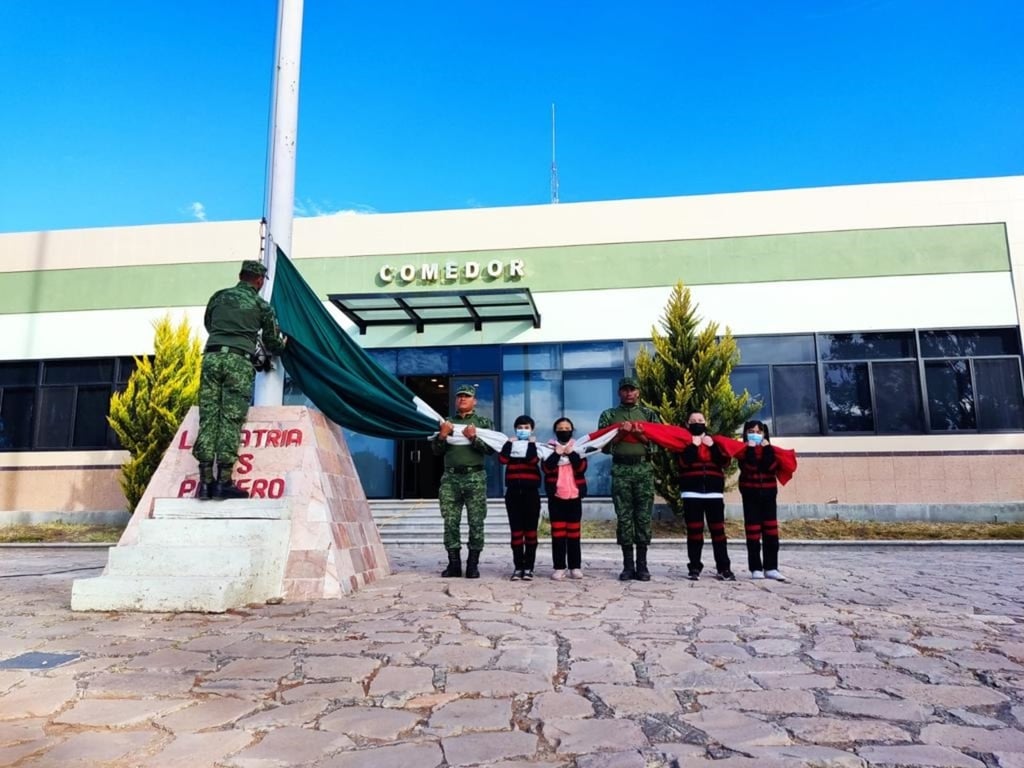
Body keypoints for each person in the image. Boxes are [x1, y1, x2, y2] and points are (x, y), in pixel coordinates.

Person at [193, 260, 286, 500]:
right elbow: (273, 342)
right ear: (259, 280)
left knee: (209, 415)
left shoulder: (218, 297)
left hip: (211, 358)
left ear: (240, 276)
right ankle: (223, 482)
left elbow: (209, 324)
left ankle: (204, 483)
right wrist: (284, 343)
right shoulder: (261, 305)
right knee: (230, 419)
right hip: (238, 362)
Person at [598, 376, 661, 581]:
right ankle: (627, 565)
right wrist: (620, 435)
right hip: (621, 468)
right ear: (619, 392)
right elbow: (603, 447)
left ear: (638, 392)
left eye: (632, 390)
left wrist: (640, 435)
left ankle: (642, 566)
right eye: (625, 389)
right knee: (624, 517)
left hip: (643, 469)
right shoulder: (609, 415)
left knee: (643, 517)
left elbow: (658, 446)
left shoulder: (649, 415)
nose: (629, 393)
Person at [433, 384, 495, 579]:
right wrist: (443, 435)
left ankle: (472, 565)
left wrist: (473, 438)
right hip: (451, 478)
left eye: (466, 396)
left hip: (475, 477)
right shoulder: (446, 422)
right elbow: (436, 450)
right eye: (459, 396)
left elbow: (491, 449)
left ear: (474, 401)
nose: (462, 399)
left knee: (476, 522)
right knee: (450, 522)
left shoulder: (483, 422)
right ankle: (453, 564)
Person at [678, 412, 735, 581]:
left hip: (714, 494)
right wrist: (693, 446)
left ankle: (724, 568)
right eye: (693, 421)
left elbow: (724, 462)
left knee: (719, 532)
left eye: (700, 421)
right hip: (691, 493)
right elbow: (682, 463)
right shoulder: (683, 442)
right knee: (694, 532)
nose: (697, 423)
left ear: (706, 422)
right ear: (687, 424)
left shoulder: (716, 442)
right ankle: (694, 567)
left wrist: (711, 446)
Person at [738, 420, 786, 581]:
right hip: (750, 496)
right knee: (752, 533)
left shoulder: (771, 451)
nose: (755, 434)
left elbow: (770, 467)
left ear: (765, 434)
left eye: (759, 432)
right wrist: (751, 448)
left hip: (769, 496)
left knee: (771, 533)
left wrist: (766, 449)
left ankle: (771, 567)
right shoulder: (743, 451)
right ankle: (755, 568)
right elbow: (749, 467)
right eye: (751, 431)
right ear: (745, 433)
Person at [543, 417, 589, 580]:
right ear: (556, 431)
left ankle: (575, 567)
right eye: (560, 428)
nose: (564, 430)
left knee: (574, 535)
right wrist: (557, 454)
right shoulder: (547, 449)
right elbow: (547, 468)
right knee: (558, 535)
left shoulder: (579, 448)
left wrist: (571, 453)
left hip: (574, 496)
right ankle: (559, 567)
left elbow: (582, 467)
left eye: (567, 428)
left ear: (572, 430)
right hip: (556, 497)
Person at [498, 414, 542, 581]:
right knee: (516, 532)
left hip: (531, 493)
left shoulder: (536, 446)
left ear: (532, 430)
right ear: (515, 429)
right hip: (513, 493)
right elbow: (502, 459)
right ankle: (518, 566)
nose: (523, 430)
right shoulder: (509, 445)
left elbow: (532, 460)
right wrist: (509, 443)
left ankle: (529, 567)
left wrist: (530, 443)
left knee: (530, 532)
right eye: (520, 427)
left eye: (526, 428)